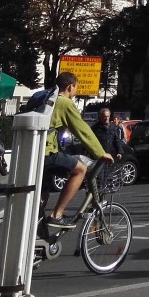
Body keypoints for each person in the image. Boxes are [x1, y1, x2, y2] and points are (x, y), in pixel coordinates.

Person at [40, 71, 113, 235]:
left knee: (42, 197)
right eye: (76, 88)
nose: (76, 92)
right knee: (80, 169)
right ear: (70, 86)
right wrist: (101, 153)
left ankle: (38, 233)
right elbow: (82, 129)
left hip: (33, 153)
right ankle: (57, 214)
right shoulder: (65, 103)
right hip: (46, 153)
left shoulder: (47, 98)